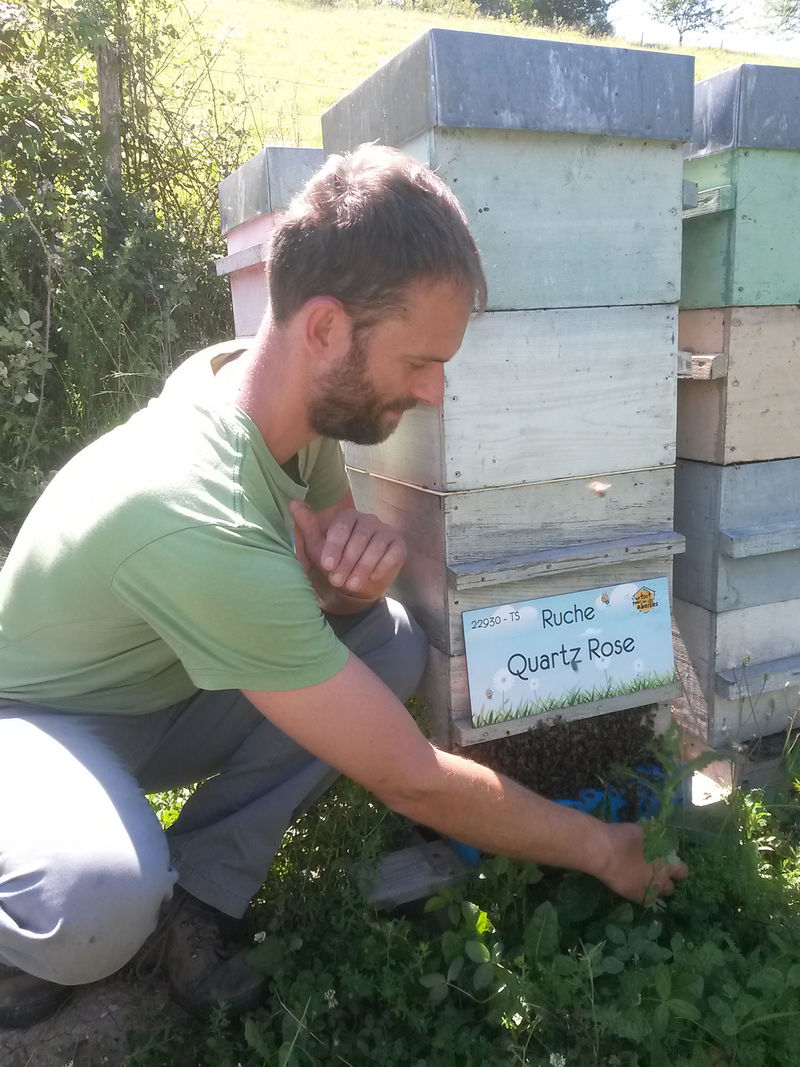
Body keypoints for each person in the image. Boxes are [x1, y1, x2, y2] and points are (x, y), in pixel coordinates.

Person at [0, 144, 688, 1029]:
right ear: (325, 327)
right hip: (33, 722)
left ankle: (202, 895)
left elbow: (327, 611)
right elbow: (413, 781)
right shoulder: (191, 505)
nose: (435, 391)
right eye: (419, 361)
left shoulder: (283, 409)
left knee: (387, 636)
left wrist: (350, 593)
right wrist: (603, 847)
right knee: (96, 908)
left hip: (158, 691)